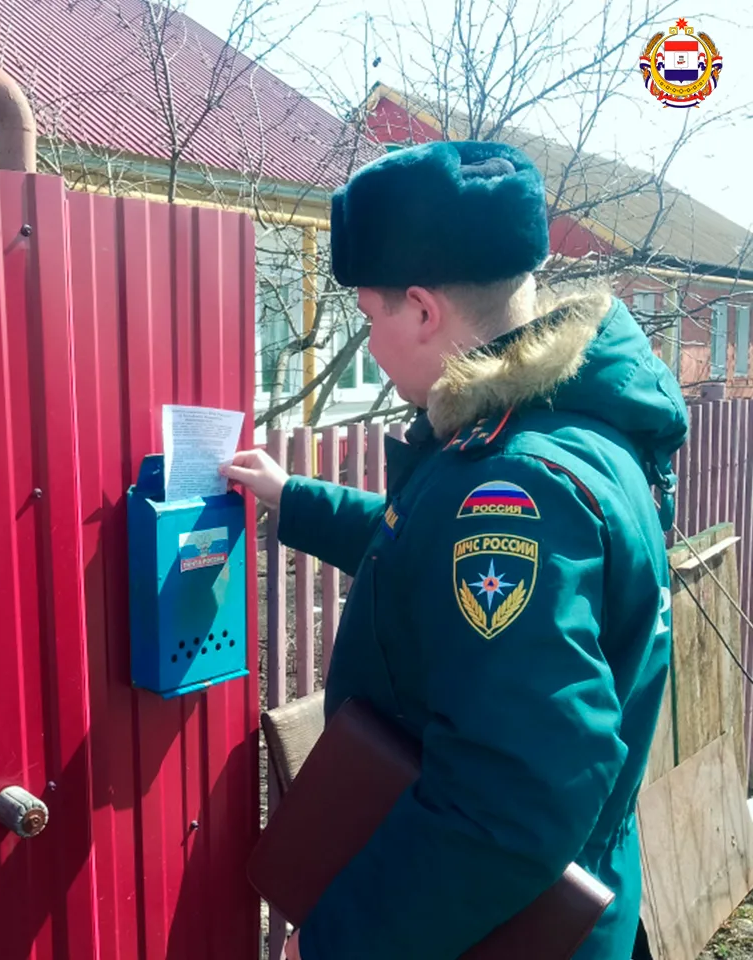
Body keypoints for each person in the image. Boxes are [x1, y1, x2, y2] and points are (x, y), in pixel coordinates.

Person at [221, 140, 687, 960]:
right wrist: (294, 499)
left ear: (423, 311)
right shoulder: (571, 429)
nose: (371, 345)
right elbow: (432, 558)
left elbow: (507, 805)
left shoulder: (515, 493)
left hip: (489, 933)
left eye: (370, 318)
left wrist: (340, 941)